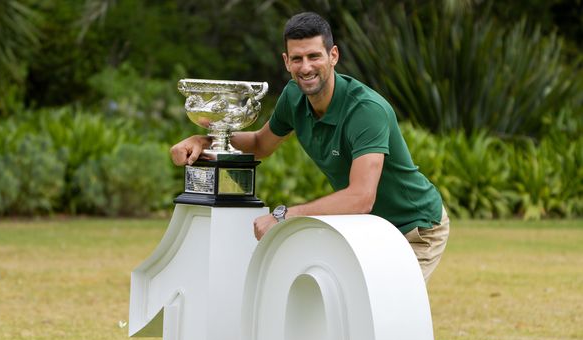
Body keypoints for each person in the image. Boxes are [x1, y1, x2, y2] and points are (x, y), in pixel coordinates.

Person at [170, 11, 450, 283]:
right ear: (286, 61)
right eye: (297, 58)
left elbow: (361, 197)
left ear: (333, 56)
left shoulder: (366, 110)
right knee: (348, 307)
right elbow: (259, 144)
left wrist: (283, 216)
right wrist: (207, 140)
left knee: (386, 312)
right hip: (369, 228)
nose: (305, 67)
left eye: (314, 56)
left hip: (416, 227)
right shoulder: (293, 98)